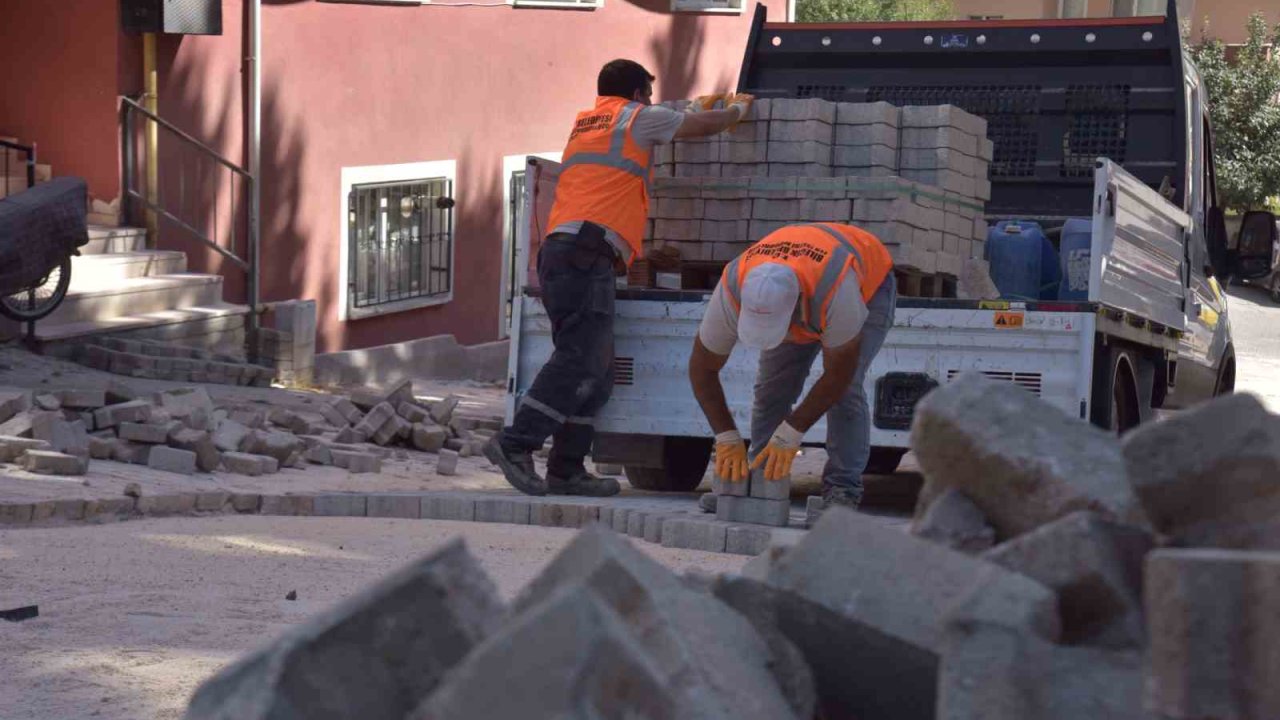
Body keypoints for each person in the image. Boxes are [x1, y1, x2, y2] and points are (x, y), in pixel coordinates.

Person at [485, 58, 754, 497]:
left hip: (573, 253)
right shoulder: (637, 118)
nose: (650, 101)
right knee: (577, 359)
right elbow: (697, 127)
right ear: (635, 95)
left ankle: (566, 469)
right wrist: (735, 112)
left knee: (599, 372)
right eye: (648, 93)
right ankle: (514, 443)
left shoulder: (589, 121)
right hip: (583, 255)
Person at [687, 222, 896, 512]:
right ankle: (759, 481)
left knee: (847, 391)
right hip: (801, 278)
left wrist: (792, 432)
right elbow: (701, 368)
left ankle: (842, 489)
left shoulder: (835, 290)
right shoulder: (734, 285)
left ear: (796, 306)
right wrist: (726, 436)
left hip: (868, 283)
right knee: (771, 387)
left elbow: (839, 374)